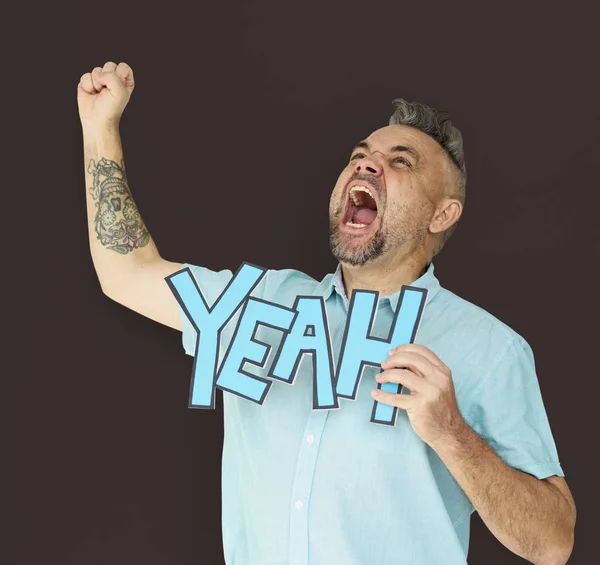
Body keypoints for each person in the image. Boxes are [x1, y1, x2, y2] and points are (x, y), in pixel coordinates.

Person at [77, 61, 577, 565]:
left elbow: (553, 543)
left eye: (401, 162)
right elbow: (126, 273)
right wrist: (100, 128)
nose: (366, 165)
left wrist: (453, 434)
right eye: (361, 156)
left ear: (441, 214)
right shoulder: (260, 304)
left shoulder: (489, 348)